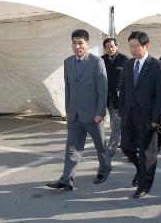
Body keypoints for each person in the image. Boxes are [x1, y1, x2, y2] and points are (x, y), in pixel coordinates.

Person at [47, 29, 112, 191]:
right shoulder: (68, 62)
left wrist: (100, 112)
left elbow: (103, 89)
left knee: (100, 145)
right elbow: (68, 87)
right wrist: (68, 109)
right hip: (74, 114)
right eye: (74, 43)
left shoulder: (97, 62)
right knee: (72, 147)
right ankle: (67, 179)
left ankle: (105, 169)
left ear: (87, 44)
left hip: (93, 114)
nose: (77, 46)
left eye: (80, 43)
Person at [118, 31, 161, 198]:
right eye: (130, 46)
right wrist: (121, 112)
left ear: (146, 46)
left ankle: (145, 185)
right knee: (126, 146)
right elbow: (123, 91)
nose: (132, 50)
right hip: (129, 116)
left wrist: (156, 119)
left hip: (148, 118)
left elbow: (160, 97)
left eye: (136, 46)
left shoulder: (158, 66)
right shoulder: (127, 65)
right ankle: (140, 169)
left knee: (148, 154)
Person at [101, 38, 129, 157]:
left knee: (117, 123)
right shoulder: (101, 60)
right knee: (114, 122)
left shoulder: (124, 60)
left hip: (120, 99)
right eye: (108, 47)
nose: (110, 49)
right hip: (106, 98)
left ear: (116, 46)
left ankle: (111, 148)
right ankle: (124, 142)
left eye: (112, 46)